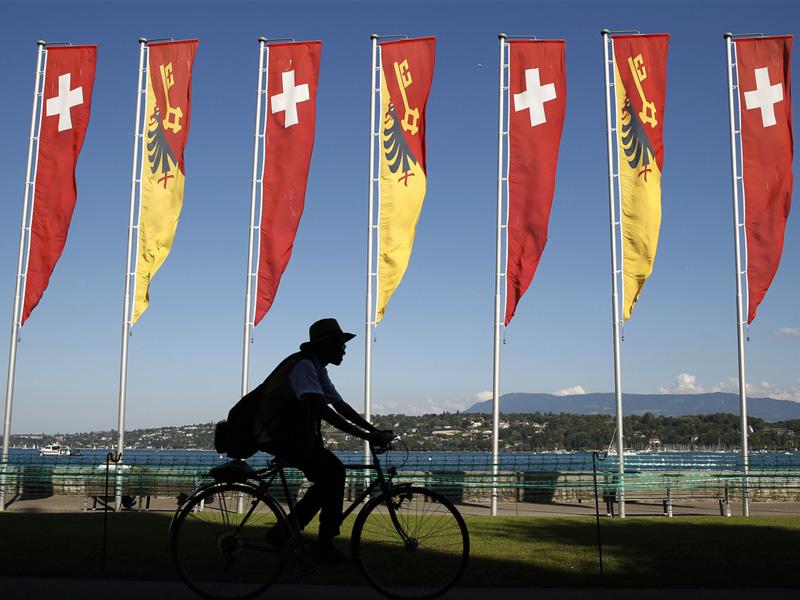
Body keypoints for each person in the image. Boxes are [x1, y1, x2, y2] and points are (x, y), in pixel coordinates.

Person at [249, 318, 393, 562]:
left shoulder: (317, 368)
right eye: (341, 344)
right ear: (326, 345)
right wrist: (367, 436)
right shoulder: (304, 366)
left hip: (291, 436)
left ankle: (285, 532)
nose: (344, 350)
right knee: (334, 472)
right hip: (277, 435)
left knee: (329, 478)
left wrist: (373, 430)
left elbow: (339, 405)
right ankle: (322, 544)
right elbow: (323, 409)